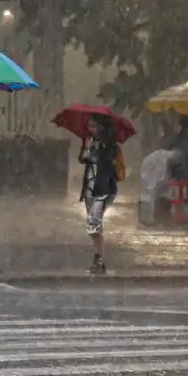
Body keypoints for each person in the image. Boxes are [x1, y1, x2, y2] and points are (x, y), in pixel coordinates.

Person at [79, 114, 118, 275]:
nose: (91, 129)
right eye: (90, 126)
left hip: (104, 189)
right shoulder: (88, 141)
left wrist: (96, 150)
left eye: (94, 126)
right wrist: (87, 148)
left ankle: (99, 258)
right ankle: (98, 258)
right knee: (94, 225)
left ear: (102, 127)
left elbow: (107, 161)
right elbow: (82, 158)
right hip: (89, 188)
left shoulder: (109, 144)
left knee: (93, 223)